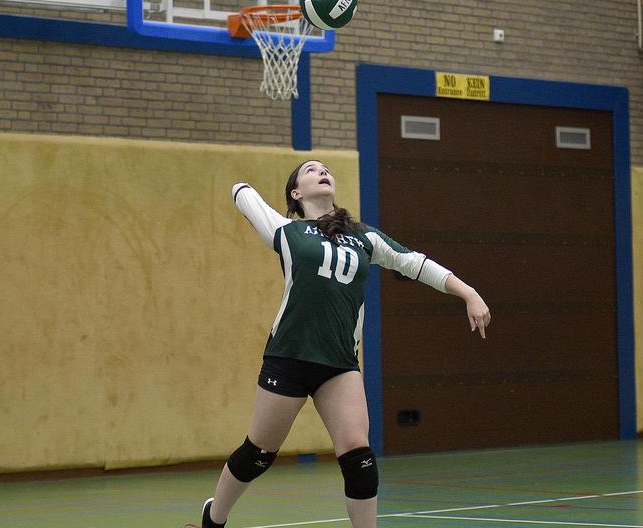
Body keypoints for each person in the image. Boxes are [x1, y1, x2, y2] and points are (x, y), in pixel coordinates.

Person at [196, 160, 490, 528]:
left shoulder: (365, 237)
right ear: (296, 193)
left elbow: (413, 263)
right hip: (287, 358)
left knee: (359, 456)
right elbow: (240, 191)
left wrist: (469, 293)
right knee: (259, 452)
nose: (322, 171)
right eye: (310, 169)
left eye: (326, 169)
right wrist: (245, 188)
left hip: (338, 365)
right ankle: (214, 517)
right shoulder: (287, 230)